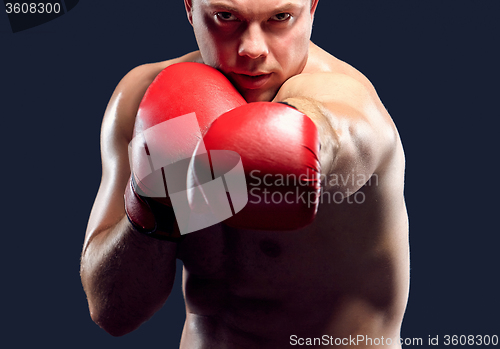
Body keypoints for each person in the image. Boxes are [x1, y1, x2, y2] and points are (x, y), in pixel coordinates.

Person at [80, 0, 409, 348]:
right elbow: (112, 312)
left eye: (280, 18)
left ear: (311, 6)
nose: (252, 49)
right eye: (226, 17)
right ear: (190, 7)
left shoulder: (347, 97)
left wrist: (301, 143)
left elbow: (344, 131)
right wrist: (152, 204)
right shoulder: (142, 100)